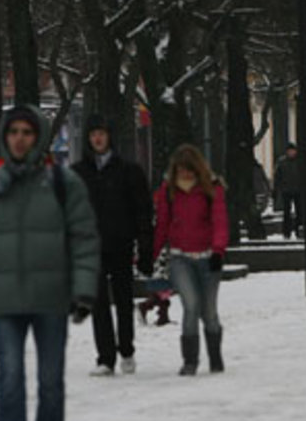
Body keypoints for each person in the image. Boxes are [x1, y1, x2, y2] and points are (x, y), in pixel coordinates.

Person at [0, 105, 99, 421]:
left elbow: (84, 238)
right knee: (9, 380)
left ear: (37, 137)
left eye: (27, 132)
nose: (19, 139)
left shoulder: (63, 183)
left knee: (50, 383)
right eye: (13, 132)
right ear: (3, 137)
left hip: (50, 297)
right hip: (3, 299)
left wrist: (84, 290)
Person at [71, 115, 155, 377]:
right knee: (98, 303)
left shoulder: (128, 171)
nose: (97, 138)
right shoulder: (78, 173)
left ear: (110, 137)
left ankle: (127, 350)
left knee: (123, 300)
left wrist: (144, 248)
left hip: (121, 244)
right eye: (93, 134)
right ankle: (105, 357)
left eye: (102, 134)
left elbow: (142, 211)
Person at [153, 144, 229, 376]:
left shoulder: (211, 189)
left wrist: (218, 251)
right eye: (181, 170)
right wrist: (152, 253)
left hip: (207, 257)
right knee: (191, 305)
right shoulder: (168, 191)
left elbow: (219, 221)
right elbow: (163, 224)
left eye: (189, 170)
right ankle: (190, 360)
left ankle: (215, 357)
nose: (185, 175)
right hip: (180, 258)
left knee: (209, 312)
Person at [273, 143, 301, 238]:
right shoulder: (282, 162)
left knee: (299, 212)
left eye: (293, 150)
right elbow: (277, 177)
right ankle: (286, 232)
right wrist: (277, 188)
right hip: (286, 190)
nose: (291, 152)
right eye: (290, 150)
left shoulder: (299, 161)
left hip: (298, 190)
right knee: (286, 212)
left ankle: (299, 230)